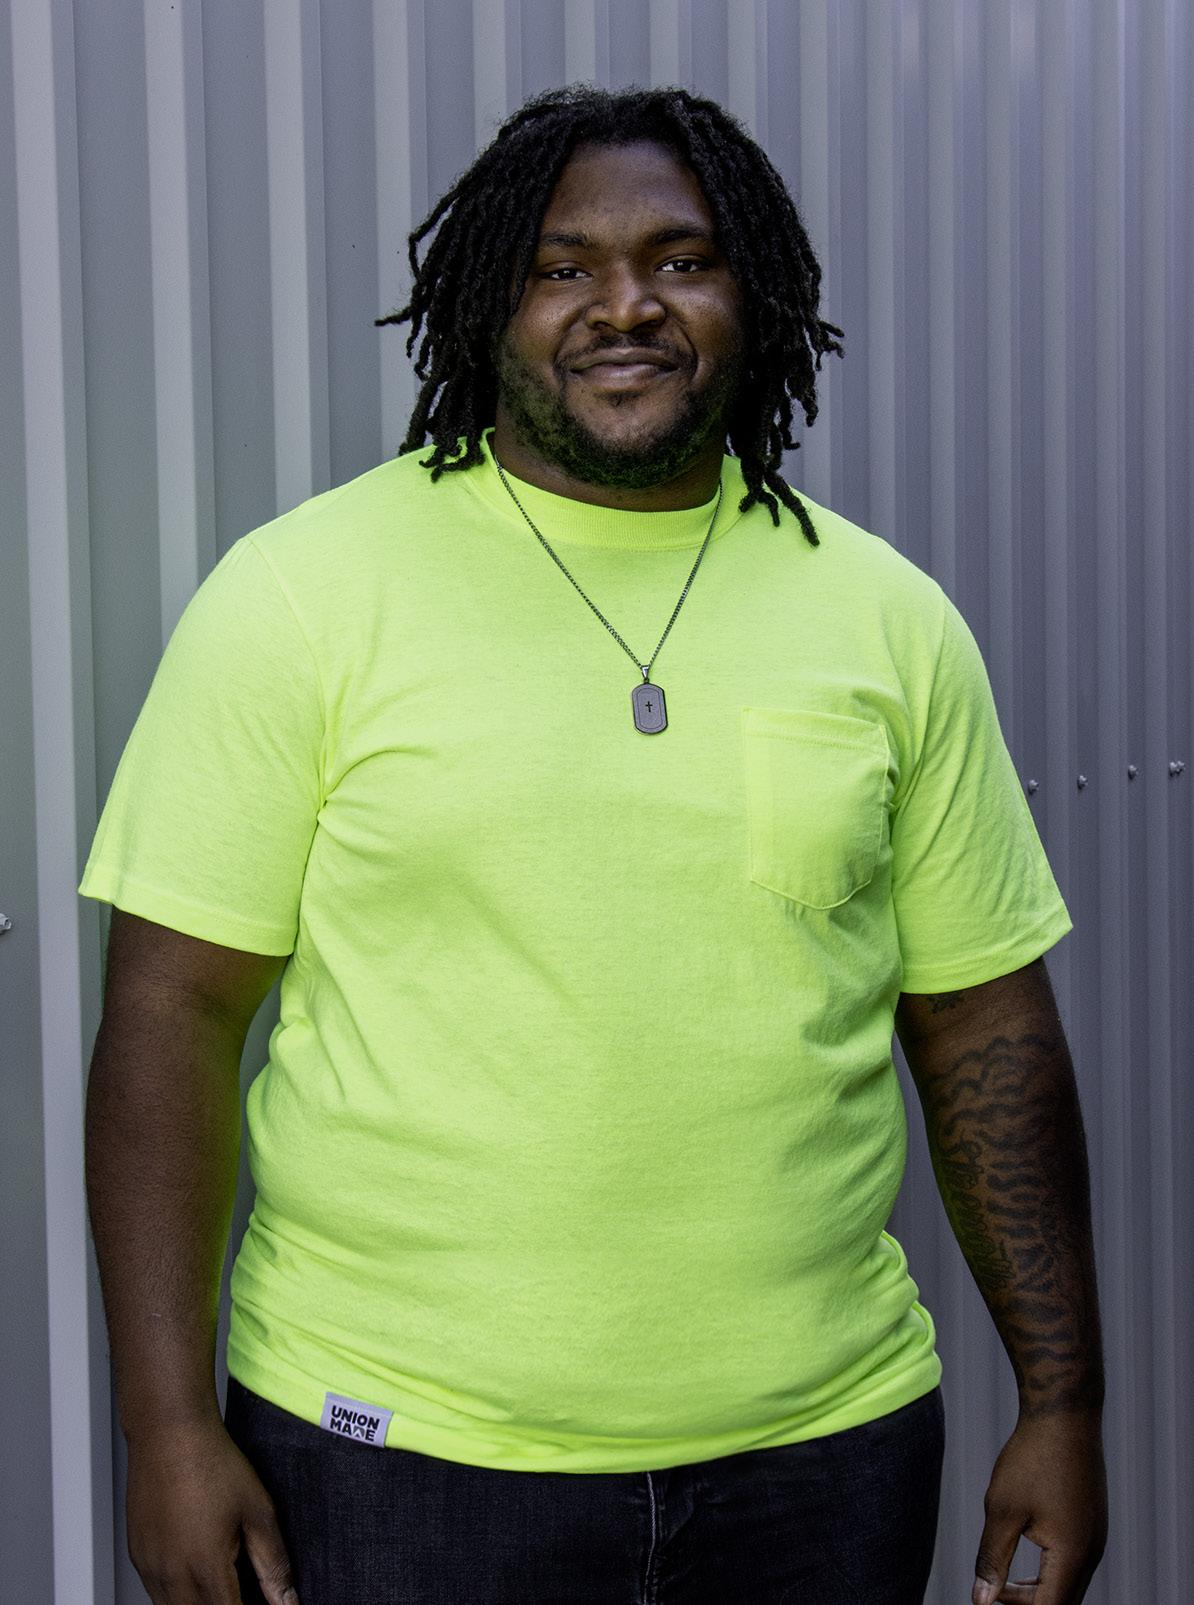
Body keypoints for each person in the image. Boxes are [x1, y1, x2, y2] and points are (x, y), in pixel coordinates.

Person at [80, 83, 1107, 1605]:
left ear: (756, 297)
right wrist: (164, 1426)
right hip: (393, 1458)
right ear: (486, 304)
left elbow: (982, 1025)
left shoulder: (886, 619)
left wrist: (1063, 1401)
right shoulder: (299, 597)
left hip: (823, 1459)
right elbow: (173, 1014)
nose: (623, 305)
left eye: (679, 260)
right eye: (560, 266)